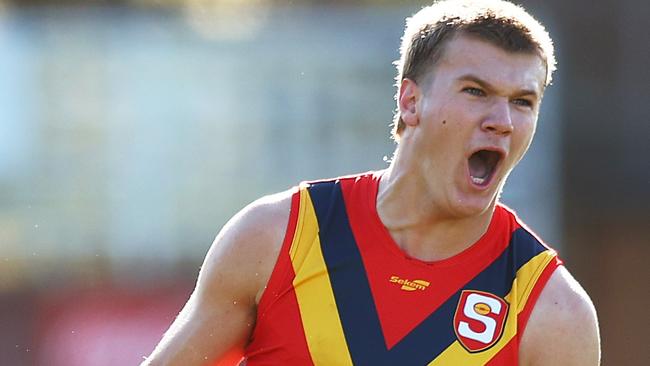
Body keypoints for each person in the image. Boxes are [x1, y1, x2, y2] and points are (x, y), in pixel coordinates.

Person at [143, 0, 600, 365]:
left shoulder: (552, 311)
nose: (501, 121)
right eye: (475, 91)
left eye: (523, 101)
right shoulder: (277, 236)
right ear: (410, 101)